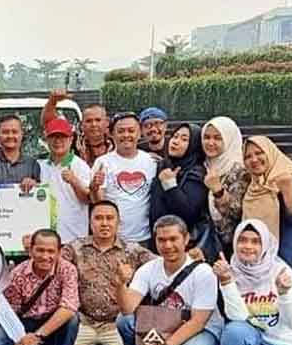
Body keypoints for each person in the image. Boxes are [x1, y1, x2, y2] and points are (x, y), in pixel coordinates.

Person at [116, 215, 220, 345]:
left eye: (173, 239)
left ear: (186, 239)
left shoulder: (203, 272)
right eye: (161, 240)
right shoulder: (149, 268)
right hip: (165, 323)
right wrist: (120, 284)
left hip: (198, 329)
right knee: (124, 321)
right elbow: (128, 308)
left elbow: (198, 322)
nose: (167, 245)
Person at [241, 135, 292, 345]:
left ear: (271, 152)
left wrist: (288, 193)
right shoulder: (254, 185)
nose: (254, 159)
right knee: (272, 319)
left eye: (259, 153)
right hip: (263, 264)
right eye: (248, 156)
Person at [62, 201, 156, 345]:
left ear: (118, 222)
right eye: (98, 218)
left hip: (115, 325)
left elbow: (161, 265)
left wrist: (189, 256)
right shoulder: (75, 248)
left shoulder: (132, 250)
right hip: (85, 322)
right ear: (90, 222)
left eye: (109, 218)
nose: (104, 223)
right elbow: (53, 264)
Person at [0, 229, 80, 345]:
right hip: (27, 320)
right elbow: (12, 310)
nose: (45, 256)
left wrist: (37, 336)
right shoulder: (17, 274)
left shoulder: (67, 269)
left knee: (72, 319)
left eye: (51, 251)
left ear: (59, 252)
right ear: (31, 250)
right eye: (40, 250)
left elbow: (69, 307)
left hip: (54, 321)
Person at [149, 123, 217, 261]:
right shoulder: (164, 165)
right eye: (175, 136)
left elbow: (188, 213)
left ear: (194, 145)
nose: (176, 141)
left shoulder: (196, 173)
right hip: (158, 240)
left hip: (182, 246)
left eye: (184, 139)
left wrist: (170, 185)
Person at [90, 112, 158, 246]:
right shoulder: (103, 162)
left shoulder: (151, 161)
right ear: (111, 134)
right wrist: (94, 187)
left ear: (140, 133)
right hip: (113, 239)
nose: (126, 135)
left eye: (131, 131)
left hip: (144, 237)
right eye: (121, 131)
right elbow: (98, 203)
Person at [201, 116, 251, 259]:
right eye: (206, 137)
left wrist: (218, 191)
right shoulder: (205, 165)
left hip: (233, 247)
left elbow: (238, 213)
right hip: (208, 243)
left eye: (218, 138)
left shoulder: (241, 170)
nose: (210, 143)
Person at [38, 118, 91, 243]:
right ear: (46, 139)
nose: (58, 141)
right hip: (46, 239)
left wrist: (74, 181)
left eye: (62, 137)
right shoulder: (40, 166)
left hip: (74, 238)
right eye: (53, 137)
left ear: (71, 139)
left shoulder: (80, 166)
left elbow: (87, 199)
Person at [41, 91, 114, 167]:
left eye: (98, 120)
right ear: (82, 124)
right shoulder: (72, 141)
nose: (93, 124)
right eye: (88, 121)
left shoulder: (116, 141)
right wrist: (52, 101)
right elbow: (49, 123)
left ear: (107, 122)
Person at [0, 115, 40, 190]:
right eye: (5, 132)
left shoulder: (32, 164)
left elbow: (41, 191)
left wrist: (33, 184)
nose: (10, 136)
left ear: (21, 134)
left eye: (15, 132)